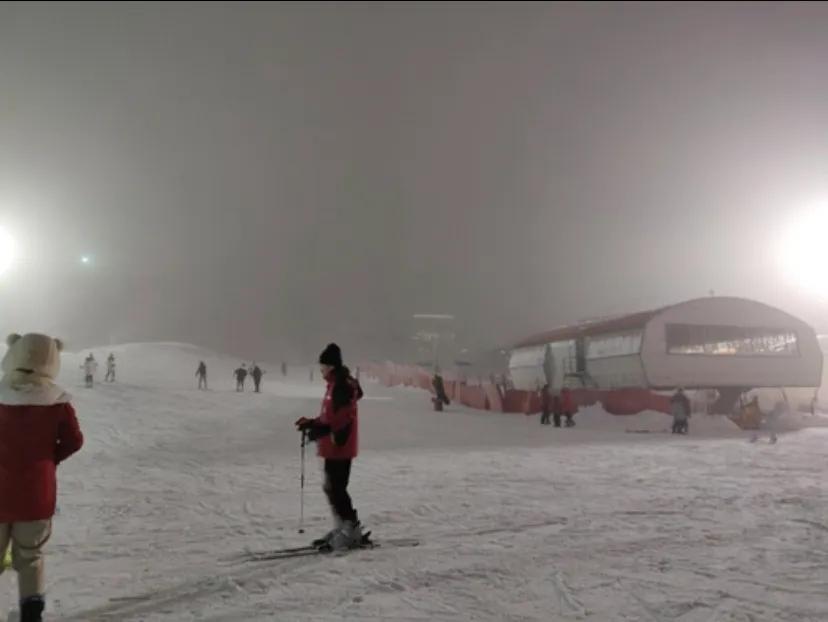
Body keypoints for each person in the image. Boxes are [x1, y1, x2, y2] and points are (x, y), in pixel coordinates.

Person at [0, 333, 84, 622]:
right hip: (36, 496)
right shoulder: (57, 403)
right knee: (30, 557)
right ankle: (31, 616)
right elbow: (74, 440)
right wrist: (47, 461)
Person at [295, 343, 364, 551]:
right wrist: (313, 423)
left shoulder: (342, 386)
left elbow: (342, 419)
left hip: (340, 446)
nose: (321, 370)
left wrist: (321, 430)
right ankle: (342, 525)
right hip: (333, 446)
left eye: (323, 366)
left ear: (331, 367)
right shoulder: (334, 384)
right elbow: (329, 417)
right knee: (330, 487)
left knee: (337, 488)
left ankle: (351, 529)